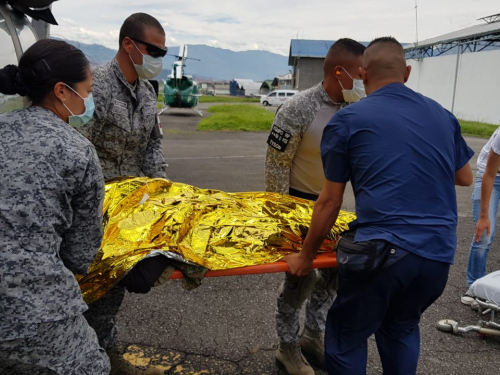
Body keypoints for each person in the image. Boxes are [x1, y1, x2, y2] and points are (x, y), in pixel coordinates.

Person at [284, 37, 474, 374]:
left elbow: (329, 201)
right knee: (400, 329)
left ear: (361, 73)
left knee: (346, 335)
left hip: (382, 254)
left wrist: (306, 256)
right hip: (437, 255)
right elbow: (465, 178)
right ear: (408, 72)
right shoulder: (443, 116)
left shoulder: (348, 120)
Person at [0, 39, 109, 374]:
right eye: (87, 90)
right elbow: (80, 255)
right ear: (62, 91)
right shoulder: (77, 151)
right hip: (33, 311)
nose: (88, 100)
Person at [265, 38, 366, 375]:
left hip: (332, 206)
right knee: (300, 279)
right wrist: (281, 221)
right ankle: (287, 346)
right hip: (296, 204)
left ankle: (312, 336)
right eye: (360, 75)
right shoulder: (298, 108)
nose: (364, 82)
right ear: (340, 73)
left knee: (334, 274)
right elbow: (276, 166)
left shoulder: (356, 109)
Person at [78, 13, 170, 375]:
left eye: (163, 51)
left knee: (113, 286)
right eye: (154, 49)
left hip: (130, 211)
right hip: (92, 208)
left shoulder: (146, 93)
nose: (159, 57)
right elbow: (79, 149)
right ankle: (87, 355)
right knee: (87, 286)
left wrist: (162, 191)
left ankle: (105, 350)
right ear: (128, 45)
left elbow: (153, 147)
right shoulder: (93, 86)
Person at [463, 129, 500, 304]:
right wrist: (484, 216)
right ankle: (474, 287)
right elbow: (490, 175)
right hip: (491, 176)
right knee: (485, 234)